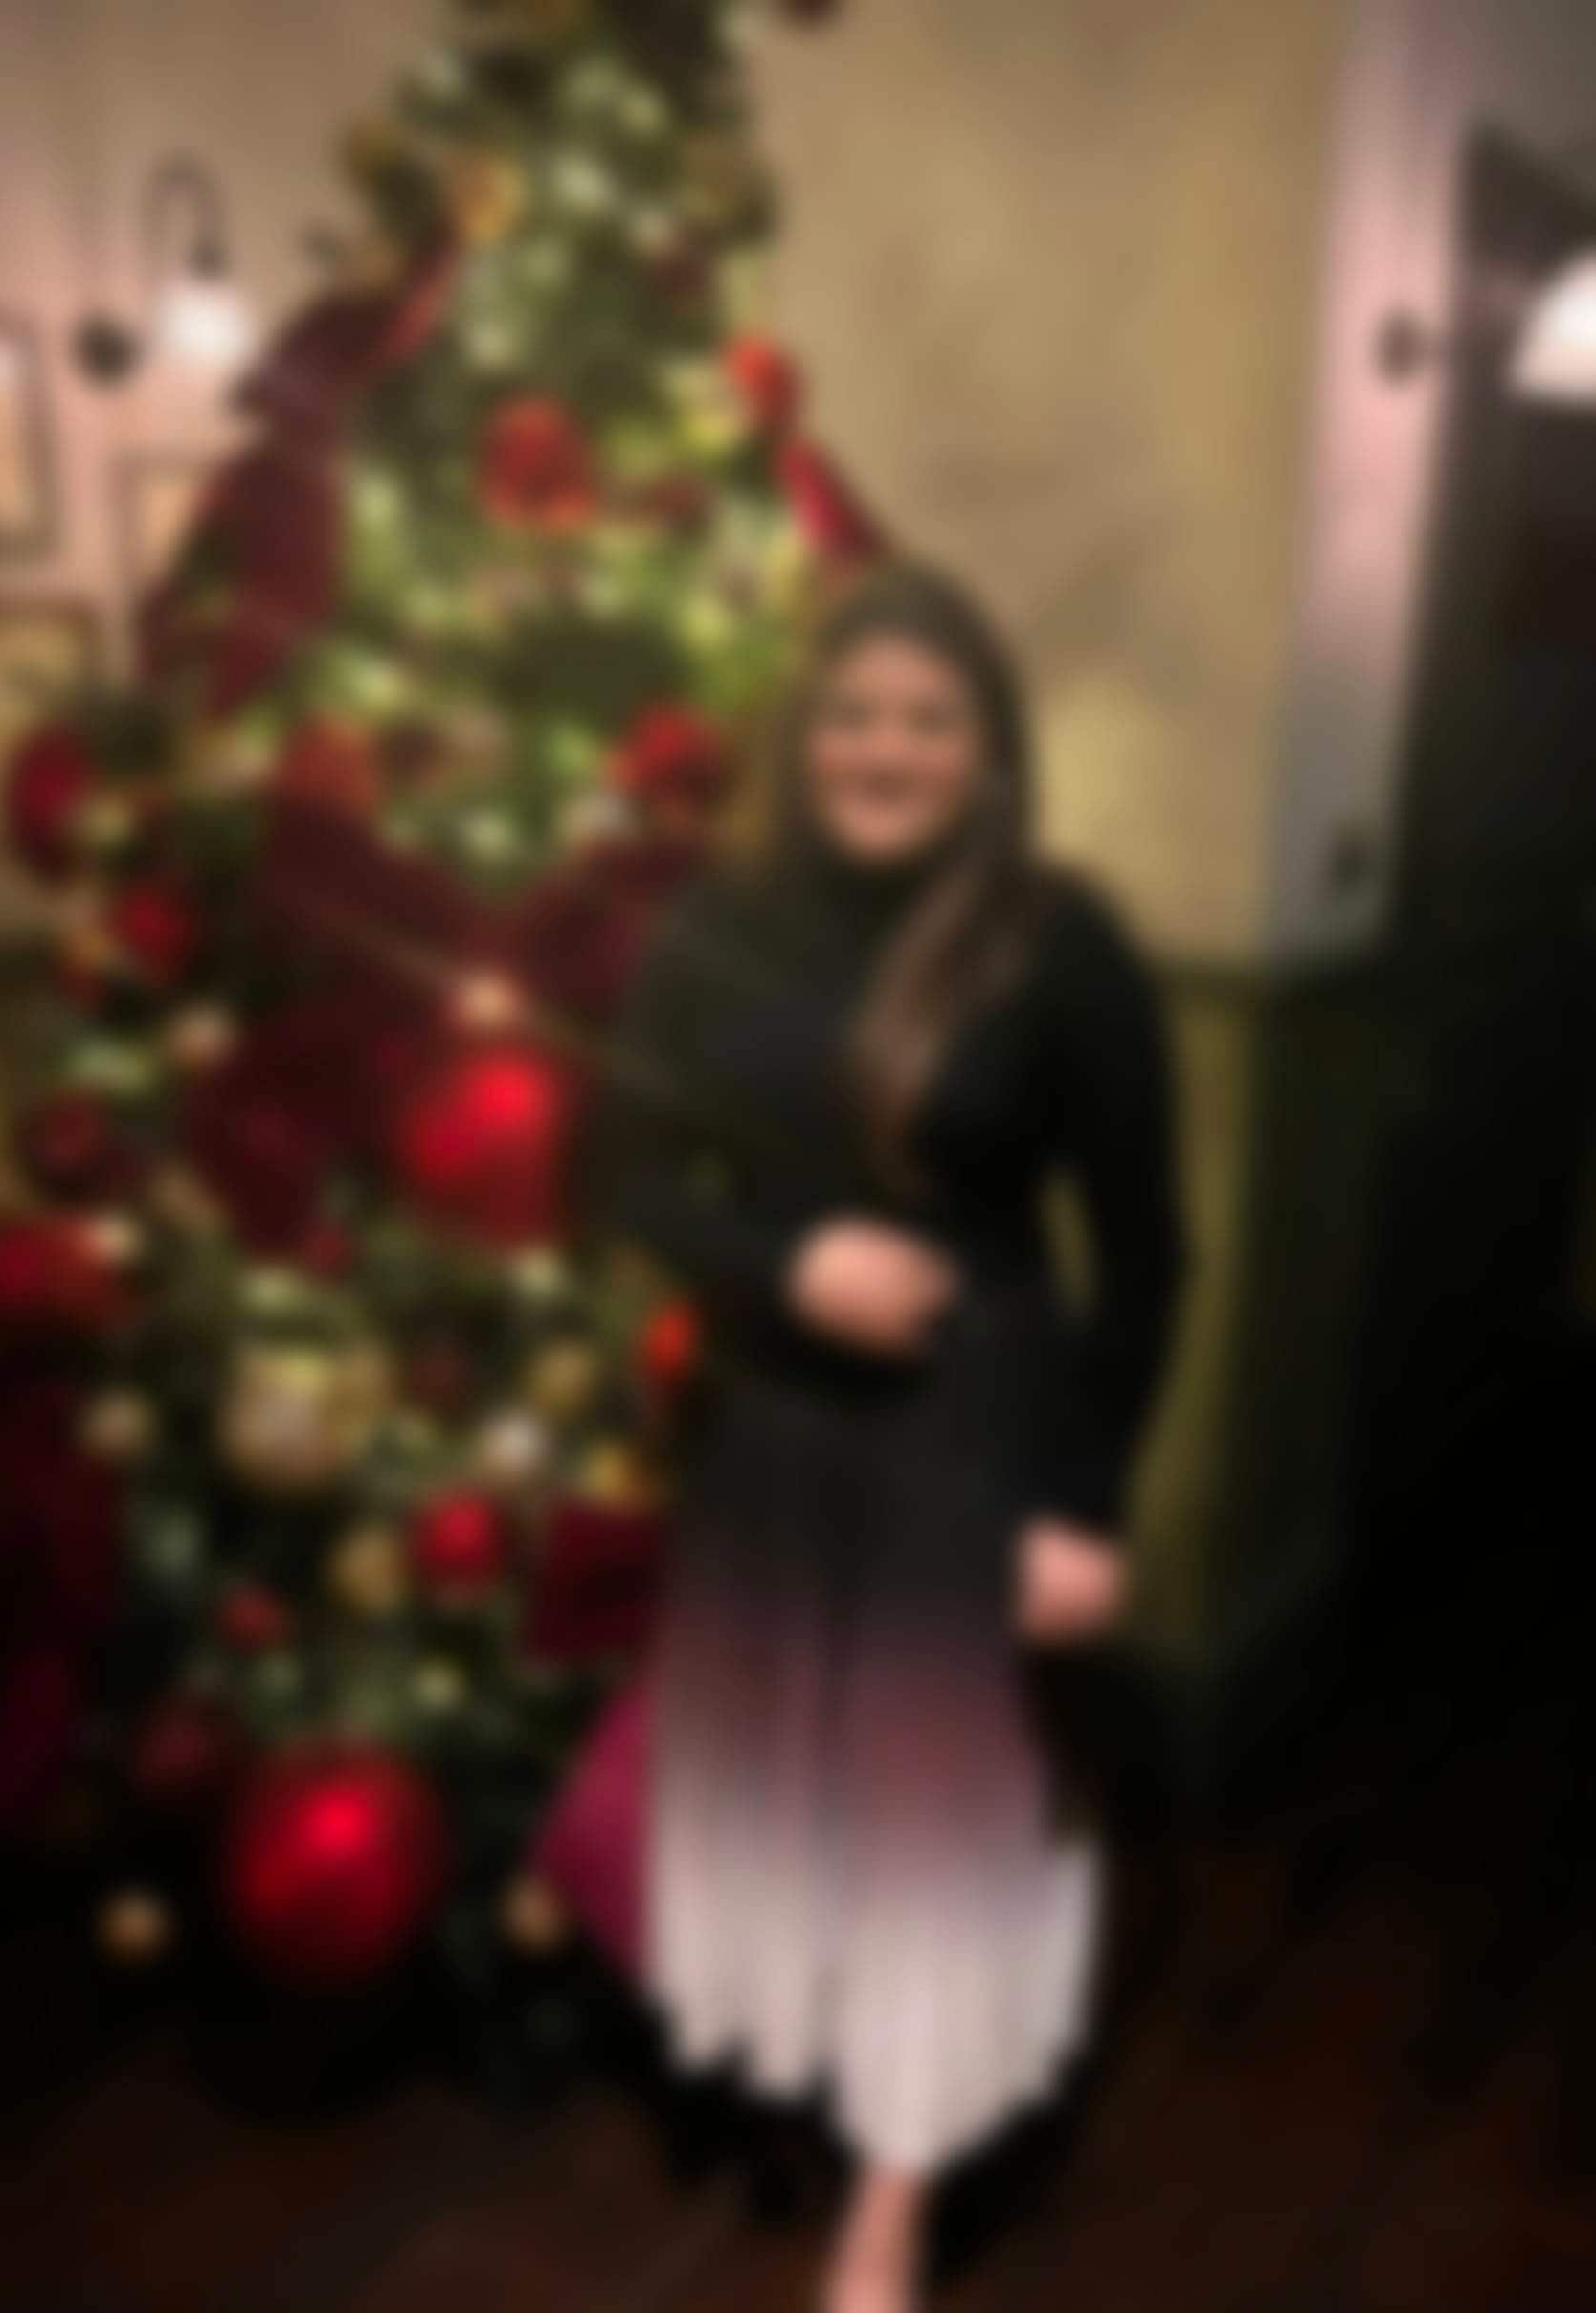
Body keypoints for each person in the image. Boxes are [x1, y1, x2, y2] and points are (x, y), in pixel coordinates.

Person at [577, 556, 1188, 2313]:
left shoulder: (1060, 943)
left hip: (965, 1439)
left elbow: (1148, 1255)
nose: (883, 749)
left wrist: (1085, 1508)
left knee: (938, 1817)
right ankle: (799, 2052)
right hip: (766, 1425)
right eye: (851, 715)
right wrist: (785, 1266)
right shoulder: (720, 923)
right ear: (802, 737)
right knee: (778, 1778)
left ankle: (890, 2202)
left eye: (929, 719)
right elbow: (618, 1167)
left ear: (990, 753)